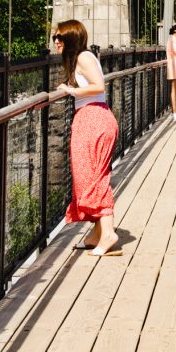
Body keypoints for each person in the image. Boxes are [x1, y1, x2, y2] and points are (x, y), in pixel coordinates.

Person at [53, 19, 121, 256]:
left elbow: (98, 86)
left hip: (94, 119)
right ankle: (96, 234)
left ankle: (109, 232)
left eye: (59, 38)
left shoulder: (83, 57)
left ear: (71, 38)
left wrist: (71, 90)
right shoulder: (80, 59)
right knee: (86, 177)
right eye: (55, 38)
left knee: (94, 177)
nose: (55, 42)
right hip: (89, 119)